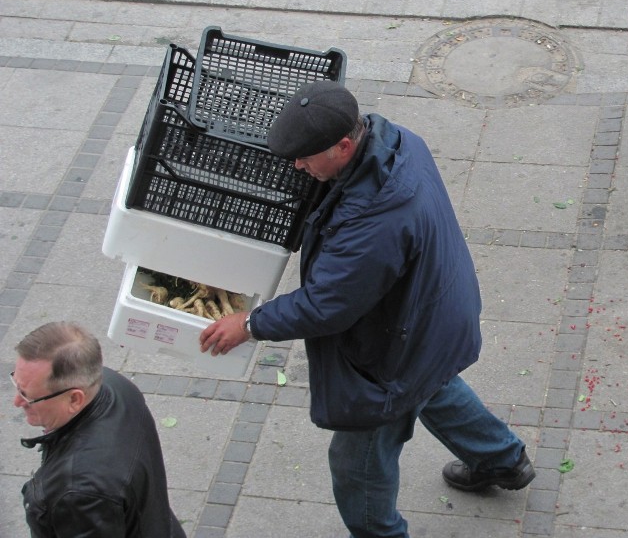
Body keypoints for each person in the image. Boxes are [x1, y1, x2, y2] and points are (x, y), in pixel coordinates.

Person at [200, 80, 535, 537]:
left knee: (357, 466)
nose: (297, 166)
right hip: (435, 312)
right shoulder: (396, 139)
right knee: (431, 383)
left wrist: (251, 323)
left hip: (397, 345)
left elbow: (325, 306)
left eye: (305, 157)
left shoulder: (374, 220)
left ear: (342, 145)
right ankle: (503, 460)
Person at [12, 321, 186, 538]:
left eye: (28, 396)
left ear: (75, 398)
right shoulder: (114, 384)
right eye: (17, 385)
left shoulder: (78, 492)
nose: (17, 402)